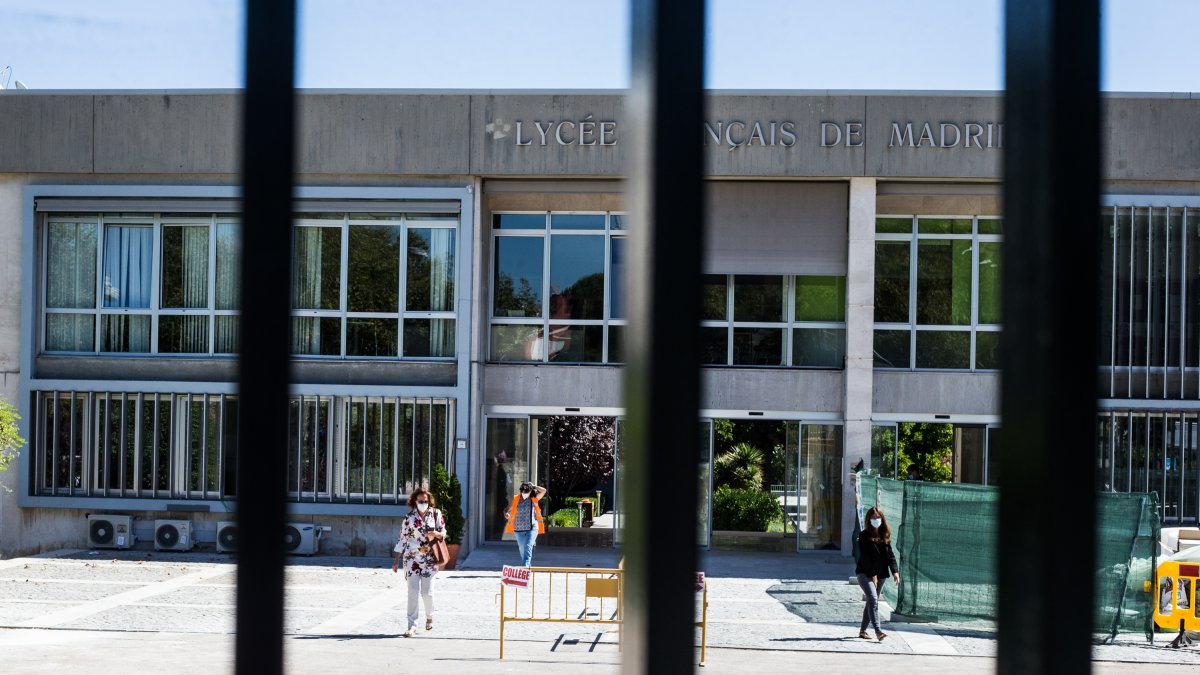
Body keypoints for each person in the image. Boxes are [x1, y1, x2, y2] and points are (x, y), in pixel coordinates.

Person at [392, 486, 446, 638]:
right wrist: (396, 560)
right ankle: (412, 626)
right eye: (420, 501)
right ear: (415, 501)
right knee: (413, 592)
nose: (423, 503)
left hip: (430, 559)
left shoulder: (436, 514)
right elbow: (402, 539)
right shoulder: (409, 518)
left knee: (427, 593)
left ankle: (430, 616)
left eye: (426, 501)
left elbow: (443, 532)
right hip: (411, 559)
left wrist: (437, 533)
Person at [855, 506, 900, 642]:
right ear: (869, 519)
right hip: (865, 573)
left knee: (870, 602)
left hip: (881, 575)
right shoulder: (863, 536)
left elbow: (890, 556)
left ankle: (863, 631)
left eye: (878, 517)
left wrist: (895, 572)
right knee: (873, 600)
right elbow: (865, 558)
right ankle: (878, 631)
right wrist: (872, 575)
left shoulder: (884, 535)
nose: (876, 519)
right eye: (873, 517)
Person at [503, 481, 546, 566]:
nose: (524, 493)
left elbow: (544, 490)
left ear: (530, 491)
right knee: (522, 549)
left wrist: (534, 486)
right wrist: (507, 514)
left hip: (532, 528)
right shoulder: (516, 499)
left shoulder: (534, 498)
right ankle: (527, 568)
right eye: (522, 491)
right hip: (518, 530)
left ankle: (525, 567)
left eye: (526, 491)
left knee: (528, 546)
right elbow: (506, 510)